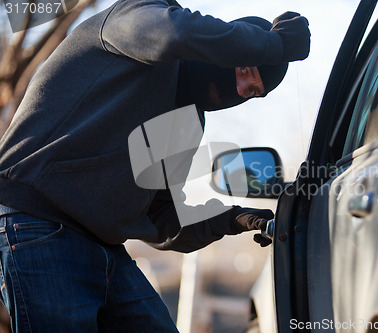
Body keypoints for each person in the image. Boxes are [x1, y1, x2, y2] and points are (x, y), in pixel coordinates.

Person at [0, 0, 310, 331]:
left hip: (104, 247)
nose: (240, 90)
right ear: (225, 47)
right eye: (245, 70)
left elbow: (158, 221)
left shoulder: (186, 121)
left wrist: (231, 219)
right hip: (36, 224)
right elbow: (173, 32)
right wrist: (273, 45)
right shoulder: (135, 16)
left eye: (253, 92)